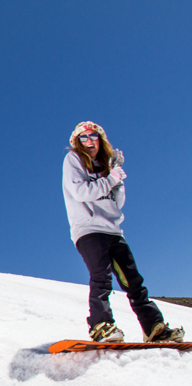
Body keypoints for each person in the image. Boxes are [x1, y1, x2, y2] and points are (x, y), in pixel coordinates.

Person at [61, 121, 183, 343]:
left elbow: (118, 202)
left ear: (101, 140)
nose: (89, 141)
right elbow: (80, 192)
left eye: (93, 136)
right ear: (77, 142)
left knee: (133, 281)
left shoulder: (107, 167)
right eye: (83, 138)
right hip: (88, 229)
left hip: (114, 231)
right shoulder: (73, 160)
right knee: (101, 277)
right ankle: (101, 325)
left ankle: (153, 327)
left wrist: (116, 178)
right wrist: (112, 178)